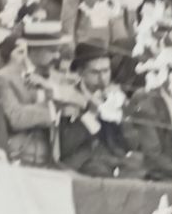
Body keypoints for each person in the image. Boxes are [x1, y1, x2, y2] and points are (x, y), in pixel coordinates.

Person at [56, 43, 147, 179]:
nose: (103, 78)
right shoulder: (70, 97)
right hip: (83, 160)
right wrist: (91, 112)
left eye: (106, 71)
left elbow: (132, 143)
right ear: (81, 73)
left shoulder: (115, 95)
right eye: (95, 72)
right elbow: (67, 146)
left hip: (114, 158)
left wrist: (121, 114)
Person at [0, 22, 71, 167]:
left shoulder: (57, 78)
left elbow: (75, 106)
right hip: (20, 155)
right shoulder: (4, 77)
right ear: (34, 50)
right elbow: (16, 117)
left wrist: (52, 90)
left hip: (54, 157)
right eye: (51, 49)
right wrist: (53, 111)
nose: (57, 54)